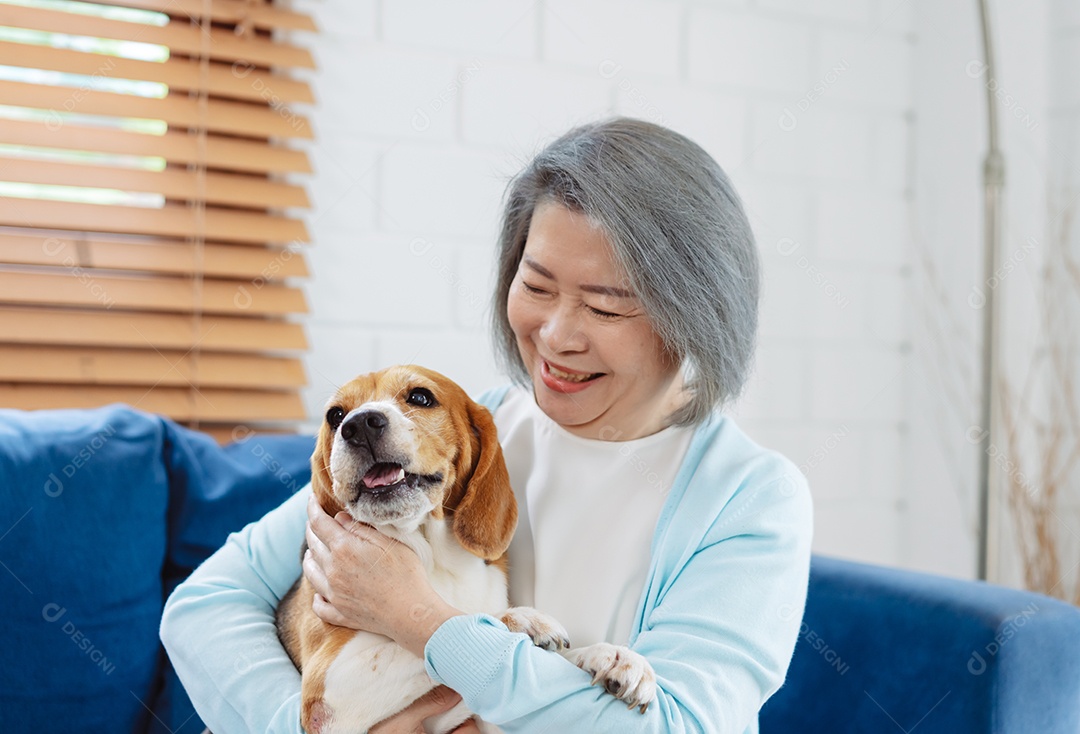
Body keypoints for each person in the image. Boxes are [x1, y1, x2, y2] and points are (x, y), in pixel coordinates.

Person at [161, 117, 813, 734]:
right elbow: (206, 605)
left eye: (605, 308)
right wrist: (306, 724)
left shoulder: (749, 498)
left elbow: (677, 724)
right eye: (536, 286)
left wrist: (417, 618)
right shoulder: (465, 434)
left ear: (695, 315)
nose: (556, 335)